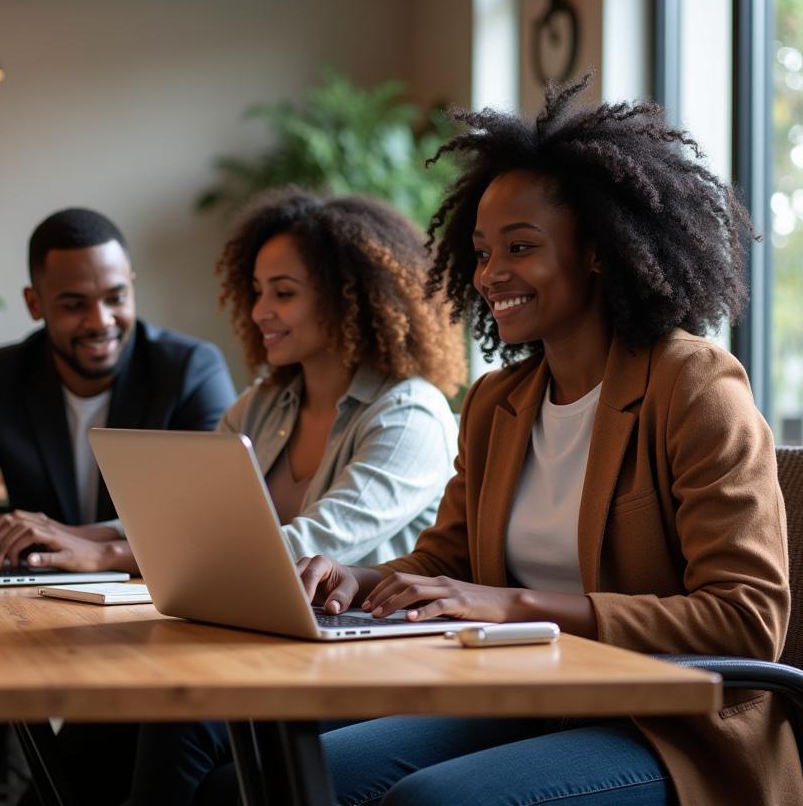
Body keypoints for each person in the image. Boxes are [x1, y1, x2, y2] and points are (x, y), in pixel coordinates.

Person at [285, 78, 802, 806]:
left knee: (431, 804)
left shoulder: (694, 386)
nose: (492, 274)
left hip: (670, 728)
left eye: (521, 248)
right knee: (292, 775)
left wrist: (519, 606)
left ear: (597, 251)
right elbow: (449, 563)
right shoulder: (500, 402)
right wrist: (358, 579)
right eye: (483, 251)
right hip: (529, 699)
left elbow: (746, 622)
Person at [62, 189, 466, 804]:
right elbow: (184, 519)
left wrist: (112, 556)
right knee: (105, 706)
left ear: (347, 296)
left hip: (372, 656)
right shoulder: (267, 402)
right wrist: (75, 538)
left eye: (283, 292)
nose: (258, 311)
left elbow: (304, 547)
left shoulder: (411, 414)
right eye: (255, 291)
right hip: (266, 648)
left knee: (181, 711)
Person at [0, 207, 237, 564]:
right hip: (34, 597)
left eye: (116, 298)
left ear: (132, 287)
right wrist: (14, 534)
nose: (100, 321)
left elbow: (220, 519)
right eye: (75, 304)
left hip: (153, 599)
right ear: (35, 304)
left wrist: (76, 541)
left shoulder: (191, 371)